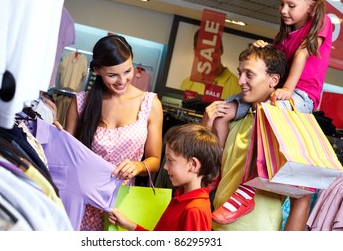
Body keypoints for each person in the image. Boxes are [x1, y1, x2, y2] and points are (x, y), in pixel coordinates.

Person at [210, 0, 332, 228]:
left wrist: (287, 88)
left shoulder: (322, 24)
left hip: (301, 95)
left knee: (265, 118)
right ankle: (214, 172)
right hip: (277, 94)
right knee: (223, 112)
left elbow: (301, 56)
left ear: (310, 5)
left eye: (291, 5)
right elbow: (273, 62)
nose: (283, 10)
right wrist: (262, 47)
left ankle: (247, 190)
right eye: (281, 4)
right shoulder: (285, 34)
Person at [203, 44, 311, 231]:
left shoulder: (287, 128)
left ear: (274, 80)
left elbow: (302, 198)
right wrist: (206, 124)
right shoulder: (235, 121)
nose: (240, 81)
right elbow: (208, 170)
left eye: (249, 75)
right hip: (217, 225)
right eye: (240, 73)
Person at [64, 35, 163, 231]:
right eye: (113, 75)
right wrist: (58, 136)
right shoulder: (81, 103)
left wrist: (138, 165)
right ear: (97, 70)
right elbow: (67, 157)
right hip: (82, 202)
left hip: (121, 206)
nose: (122, 80)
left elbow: (155, 159)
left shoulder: (150, 104)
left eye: (128, 71)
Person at [107, 123, 222, 231]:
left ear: (193, 164)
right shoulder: (182, 198)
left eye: (171, 160)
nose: (165, 167)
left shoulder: (194, 210)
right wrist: (130, 225)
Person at [179, 29, 241, 100]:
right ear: (195, 52)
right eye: (203, 51)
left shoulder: (238, 87)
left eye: (212, 50)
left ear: (221, 50)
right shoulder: (186, 84)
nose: (208, 57)